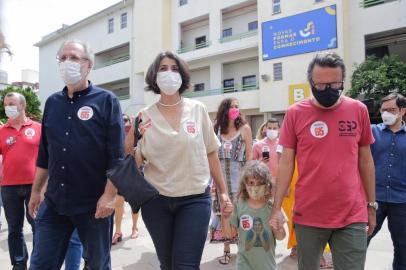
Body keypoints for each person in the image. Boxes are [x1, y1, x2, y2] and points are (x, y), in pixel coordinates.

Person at [270, 52, 376, 270]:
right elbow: (286, 163)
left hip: (352, 214)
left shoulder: (358, 110)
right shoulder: (295, 114)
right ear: (310, 83)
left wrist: (371, 206)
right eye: (320, 85)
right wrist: (276, 208)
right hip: (308, 215)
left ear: (343, 81)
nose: (328, 90)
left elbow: (365, 160)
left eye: (335, 84)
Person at [128, 51, 231, 270]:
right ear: (154, 77)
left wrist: (223, 192)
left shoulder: (198, 110)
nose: (169, 73)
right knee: (167, 265)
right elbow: (133, 161)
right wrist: (134, 137)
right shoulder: (144, 116)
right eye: (163, 69)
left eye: (174, 68)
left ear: (182, 75)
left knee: (185, 266)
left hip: (194, 199)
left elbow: (211, 152)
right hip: (156, 201)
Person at [28, 39, 124, 269]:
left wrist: (109, 196)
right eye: (63, 58)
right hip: (55, 202)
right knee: (41, 263)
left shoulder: (107, 101)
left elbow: (116, 157)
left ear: (89, 65)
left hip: (94, 204)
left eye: (74, 58)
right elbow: (44, 155)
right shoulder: (52, 103)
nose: (67, 62)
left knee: (97, 264)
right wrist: (35, 192)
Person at [0, 92, 40, 270]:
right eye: (5, 104)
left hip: (35, 187)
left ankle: (39, 262)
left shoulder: (38, 128)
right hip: (9, 187)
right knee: (14, 229)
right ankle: (18, 263)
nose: (7, 107)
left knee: (38, 226)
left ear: (23, 106)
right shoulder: (1, 132)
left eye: (11, 103)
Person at [210, 97, 252, 265]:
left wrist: (247, 180)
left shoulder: (245, 128)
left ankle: (242, 251)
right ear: (225, 110)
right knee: (224, 214)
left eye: (237, 106)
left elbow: (249, 154)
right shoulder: (217, 128)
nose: (235, 109)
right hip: (221, 179)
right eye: (232, 106)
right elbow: (211, 154)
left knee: (241, 214)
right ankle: (226, 249)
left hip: (239, 178)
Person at [221, 160, 285, 270]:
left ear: (267, 184)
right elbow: (229, 234)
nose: (255, 187)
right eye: (251, 183)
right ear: (244, 184)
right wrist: (225, 216)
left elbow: (281, 237)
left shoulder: (273, 207)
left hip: (267, 265)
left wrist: (278, 228)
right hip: (244, 264)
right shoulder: (239, 204)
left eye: (260, 183)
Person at [368, 93, 406, 270]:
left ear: (402, 111)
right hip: (373, 199)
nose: (386, 114)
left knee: (403, 247)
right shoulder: (372, 132)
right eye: (383, 110)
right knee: (360, 242)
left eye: (391, 110)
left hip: (402, 202)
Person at [112, 114, 140, 245]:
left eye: (125, 120)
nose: (123, 123)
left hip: (134, 170)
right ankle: (118, 231)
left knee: (135, 203)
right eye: (121, 120)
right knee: (118, 201)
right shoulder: (116, 133)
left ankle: (135, 227)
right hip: (120, 171)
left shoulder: (137, 133)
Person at [252, 118, 279, 189]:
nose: (272, 130)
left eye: (274, 128)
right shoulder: (257, 145)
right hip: (263, 181)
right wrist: (261, 163)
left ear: (279, 129)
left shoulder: (283, 145)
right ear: (265, 129)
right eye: (270, 128)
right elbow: (252, 166)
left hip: (279, 182)